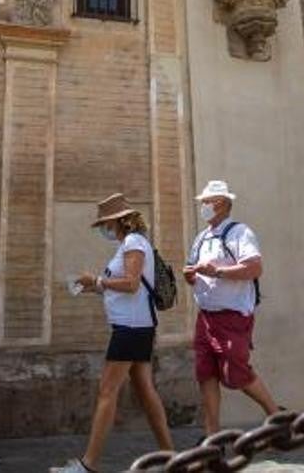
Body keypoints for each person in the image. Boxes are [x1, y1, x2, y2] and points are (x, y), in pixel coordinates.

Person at [52, 194, 173, 473]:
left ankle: (89, 465)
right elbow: (126, 285)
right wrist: (91, 286)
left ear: (117, 221)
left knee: (107, 391)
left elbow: (130, 284)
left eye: (105, 223)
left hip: (130, 328)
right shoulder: (131, 244)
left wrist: (96, 281)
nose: (104, 229)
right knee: (145, 389)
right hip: (136, 326)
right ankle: (170, 457)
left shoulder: (133, 243)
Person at [185, 180, 281, 436]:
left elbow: (254, 268)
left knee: (235, 371)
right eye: (203, 201)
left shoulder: (240, 233)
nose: (205, 206)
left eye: (210, 201)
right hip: (205, 316)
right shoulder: (201, 238)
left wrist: (216, 271)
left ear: (225, 204)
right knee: (205, 373)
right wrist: (191, 275)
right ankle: (212, 436)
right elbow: (194, 269)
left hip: (232, 315)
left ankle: (276, 414)